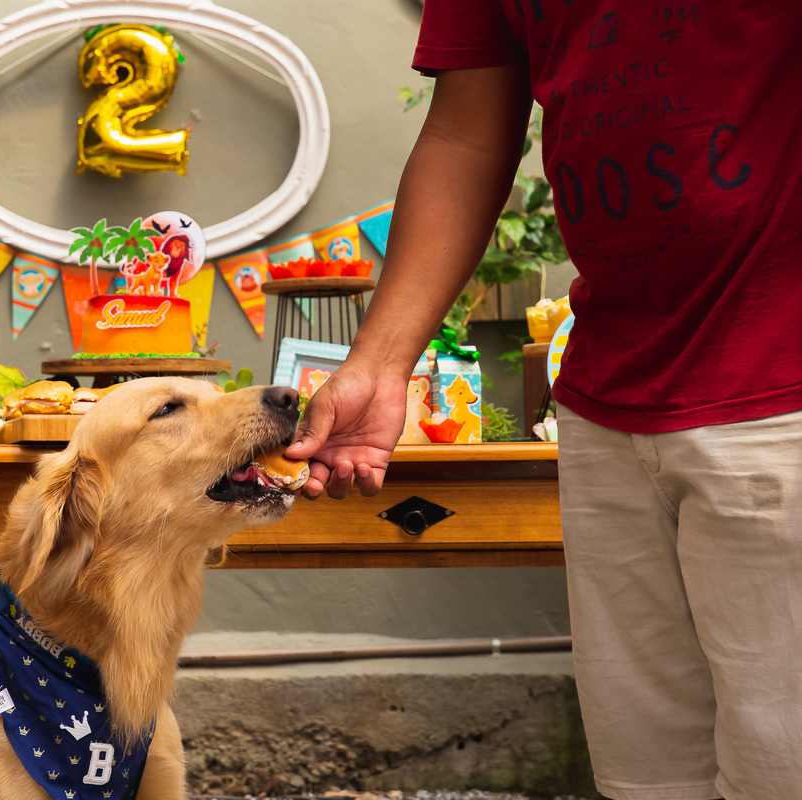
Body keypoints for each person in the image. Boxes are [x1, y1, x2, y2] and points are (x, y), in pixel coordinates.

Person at [285, 3, 802, 798]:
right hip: (605, 398)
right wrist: (382, 366)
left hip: (781, 386)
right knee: (645, 778)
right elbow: (466, 133)